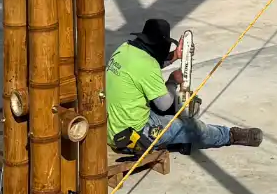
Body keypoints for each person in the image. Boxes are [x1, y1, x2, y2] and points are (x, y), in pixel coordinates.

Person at [106, 16, 261, 155]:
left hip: (114, 129)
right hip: (135, 137)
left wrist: (176, 56)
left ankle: (179, 140)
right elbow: (163, 105)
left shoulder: (125, 49)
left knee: (180, 103)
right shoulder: (147, 64)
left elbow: (146, 69)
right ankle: (229, 136)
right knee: (191, 127)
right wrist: (172, 81)